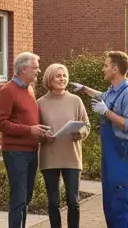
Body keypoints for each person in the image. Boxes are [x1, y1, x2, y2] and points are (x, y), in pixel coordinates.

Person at [71, 51, 128, 228]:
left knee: (121, 202)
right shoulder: (113, 90)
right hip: (110, 155)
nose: (103, 69)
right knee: (109, 203)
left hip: (122, 154)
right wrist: (84, 89)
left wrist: (106, 112)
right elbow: (103, 97)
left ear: (115, 69)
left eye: (106, 65)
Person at [0, 52, 52, 228]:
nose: (39, 71)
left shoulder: (29, 89)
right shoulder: (8, 91)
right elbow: (0, 123)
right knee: (18, 198)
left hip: (31, 150)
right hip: (15, 152)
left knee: (26, 197)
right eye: (35, 68)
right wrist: (29, 130)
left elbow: (29, 119)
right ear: (24, 69)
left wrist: (41, 131)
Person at [36, 63, 90, 228]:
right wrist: (44, 136)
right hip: (49, 158)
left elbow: (86, 125)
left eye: (64, 75)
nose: (62, 79)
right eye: (58, 76)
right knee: (53, 202)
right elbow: (36, 132)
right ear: (49, 80)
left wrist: (80, 133)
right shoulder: (40, 103)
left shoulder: (75, 100)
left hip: (71, 157)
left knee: (73, 201)